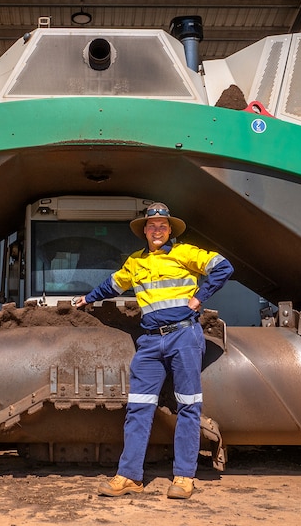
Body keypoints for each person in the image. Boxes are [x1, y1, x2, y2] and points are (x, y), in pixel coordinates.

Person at [75, 202, 233, 500]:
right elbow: (112, 285)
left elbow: (223, 267)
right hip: (149, 342)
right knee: (138, 407)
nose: (157, 230)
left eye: (162, 225)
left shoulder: (185, 253)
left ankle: (184, 477)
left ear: (169, 230)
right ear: (144, 231)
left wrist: (200, 297)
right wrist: (86, 298)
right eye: (152, 226)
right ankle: (130, 476)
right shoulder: (135, 262)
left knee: (188, 405)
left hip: (183, 336)